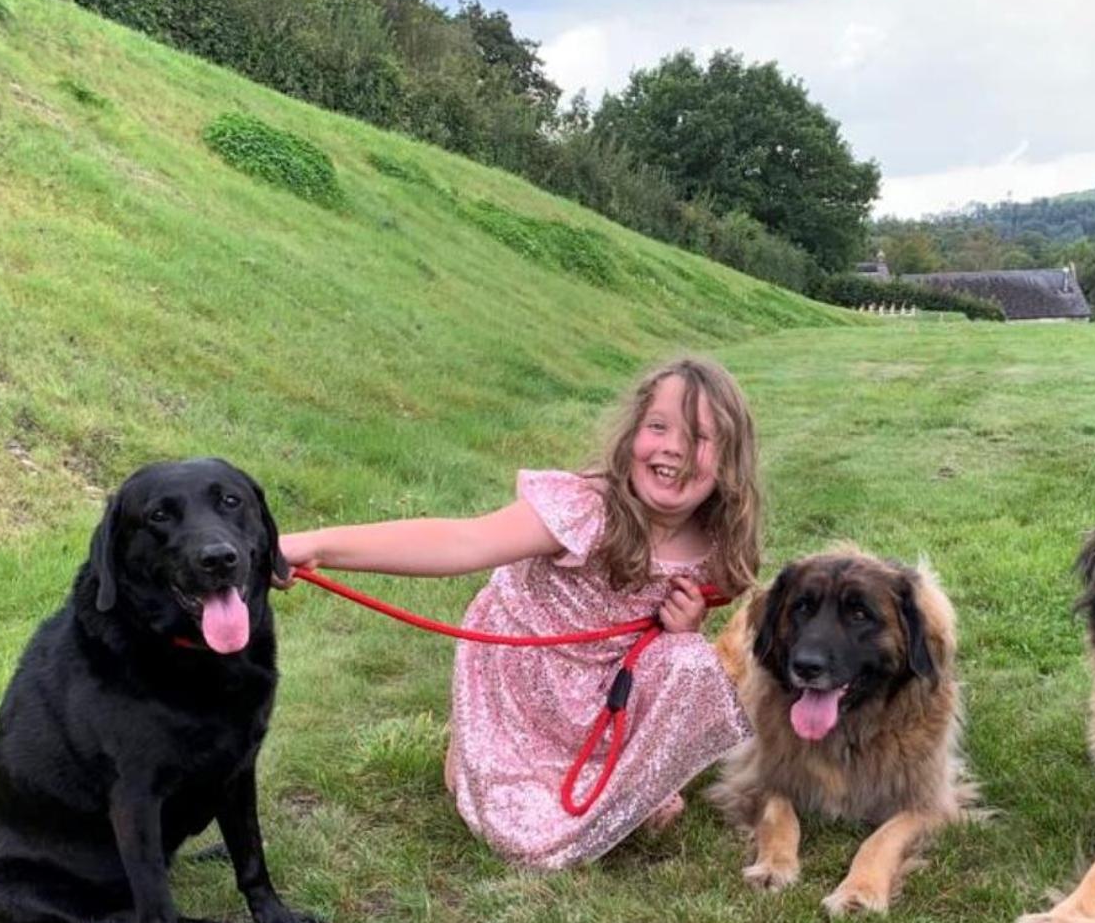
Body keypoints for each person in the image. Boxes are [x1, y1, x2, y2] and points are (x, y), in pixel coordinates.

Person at [279, 357, 761, 868]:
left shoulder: (714, 549)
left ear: (731, 461)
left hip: (603, 695)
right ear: (631, 435)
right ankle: (482, 754)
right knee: (527, 835)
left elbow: (677, 649)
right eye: (658, 426)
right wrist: (315, 545)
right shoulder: (584, 509)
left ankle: (618, 785)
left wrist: (682, 630)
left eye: (700, 437)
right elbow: (463, 540)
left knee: (692, 661)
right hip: (525, 679)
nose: (673, 448)